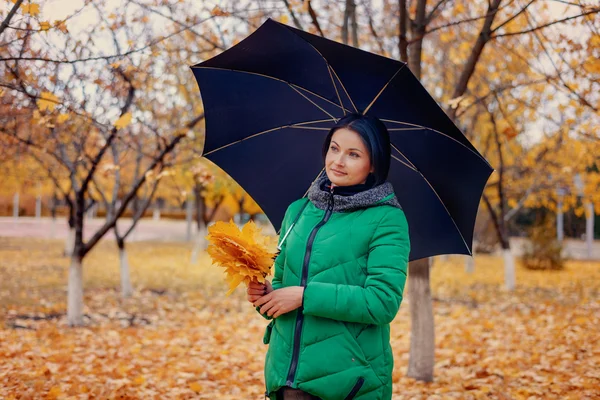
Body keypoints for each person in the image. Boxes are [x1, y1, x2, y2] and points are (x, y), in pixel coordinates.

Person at [248, 113, 410, 400]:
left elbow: (382, 302)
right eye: (334, 148)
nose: (338, 161)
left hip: (348, 382)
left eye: (353, 154)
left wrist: (304, 296)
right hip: (286, 377)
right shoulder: (298, 211)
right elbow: (285, 286)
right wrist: (267, 296)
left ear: (373, 164)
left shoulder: (387, 219)